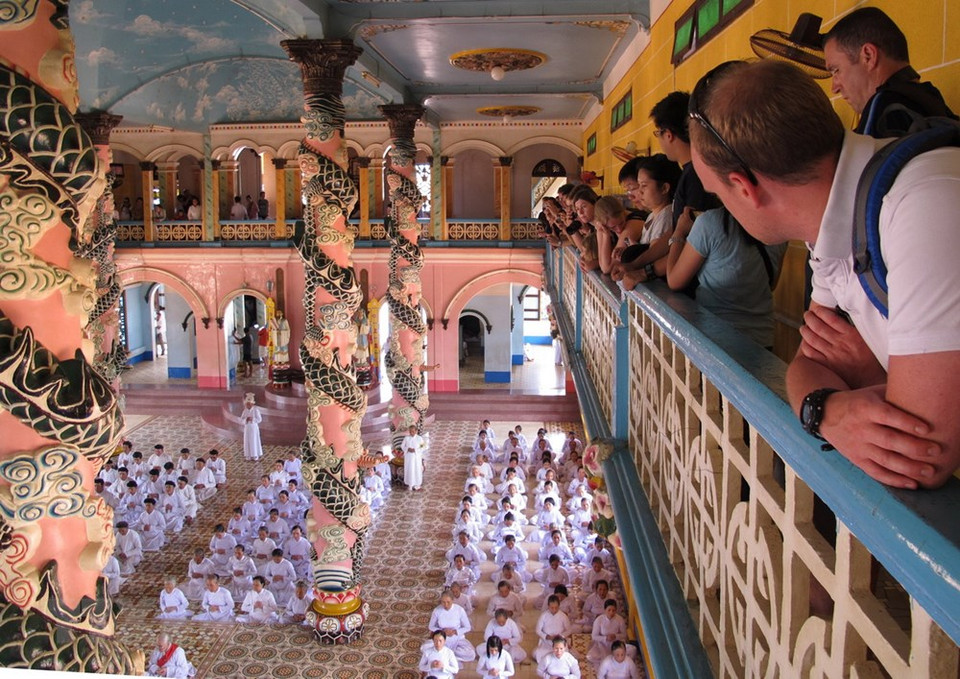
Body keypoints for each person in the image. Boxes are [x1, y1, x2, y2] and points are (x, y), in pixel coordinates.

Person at [688, 58, 960, 489]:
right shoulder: (835, 221)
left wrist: (871, 373)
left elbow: (920, 457)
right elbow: (806, 363)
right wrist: (825, 409)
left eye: (716, 192)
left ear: (743, 187)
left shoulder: (923, 205)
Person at [823, 7, 956, 138]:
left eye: (836, 70)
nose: (834, 88)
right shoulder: (932, 99)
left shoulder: (885, 110)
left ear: (868, 56)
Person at [663, 206, 785, 348]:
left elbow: (674, 281)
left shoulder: (711, 222)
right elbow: (772, 283)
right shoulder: (779, 226)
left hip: (716, 342)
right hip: (762, 342)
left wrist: (679, 232)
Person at [427, 591, 475, 663]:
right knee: (424, 648)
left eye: (448, 602)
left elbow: (467, 627)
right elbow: (431, 626)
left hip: (457, 638)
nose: (446, 605)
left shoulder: (459, 610)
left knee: (471, 654)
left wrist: (455, 632)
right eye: (443, 602)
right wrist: (442, 631)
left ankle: (446, 655)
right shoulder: (437, 610)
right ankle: (449, 656)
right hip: (442, 639)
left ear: (453, 600)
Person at [402, 424, 425, 491]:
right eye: (410, 431)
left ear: (416, 431)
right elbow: (402, 446)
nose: (411, 433)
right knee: (410, 470)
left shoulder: (419, 438)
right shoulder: (406, 438)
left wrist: (415, 450)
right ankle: (410, 484)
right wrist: (407, 449)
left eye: (413, 431)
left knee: (416, 470)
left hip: (416, 457)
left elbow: (423, 447)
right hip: (409, 457)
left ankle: (417, 484)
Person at [242, 393, 263, 461]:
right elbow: (241, 419)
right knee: (247, 441)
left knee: (254, 440)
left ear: (252, 404)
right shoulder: (245, 411)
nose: (248, 405)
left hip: (253, 428)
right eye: (247, 404)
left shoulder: (255, 410)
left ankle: (255, 455)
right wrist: (246, 420)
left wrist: (253, 419)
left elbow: (259, 419)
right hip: (247, 428)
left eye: (249, 404)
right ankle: (248, 455)